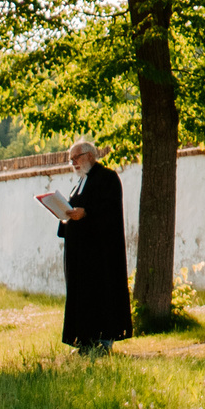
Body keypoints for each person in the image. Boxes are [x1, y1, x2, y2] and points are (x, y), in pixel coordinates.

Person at [55, 138, 131, 353]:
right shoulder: (80, 182)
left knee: (101, 294)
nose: (73, 164)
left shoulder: (107, 177)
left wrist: (86, 213)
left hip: (100, 253)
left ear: (89, 155)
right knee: (81, 296)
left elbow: (110, 211)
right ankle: (84, 340)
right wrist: (64, 217)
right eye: (70, 160)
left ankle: (104, 339)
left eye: (75, 158)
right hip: (79, 253)